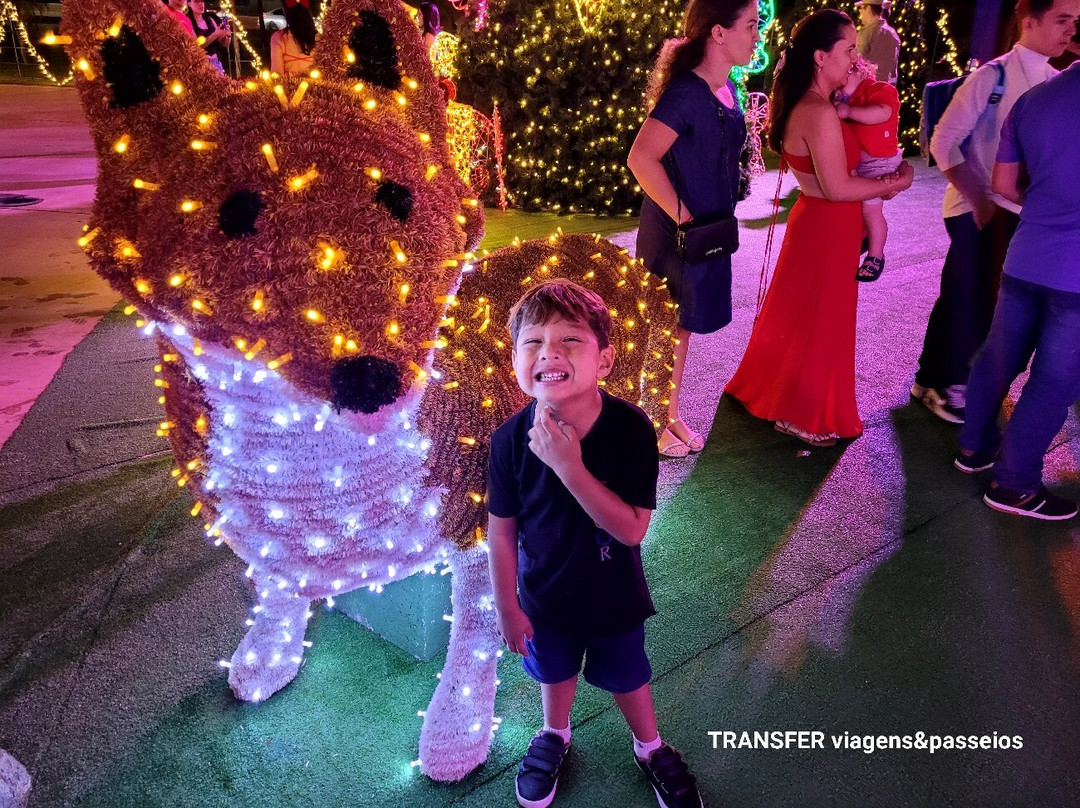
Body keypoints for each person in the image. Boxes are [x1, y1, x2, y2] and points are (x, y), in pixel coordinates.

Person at [487, 280, 703, 808]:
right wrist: (508, 606)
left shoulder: (631, 429)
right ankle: (554, 735)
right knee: (554, 671)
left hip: (614, 596)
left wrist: (567, 465)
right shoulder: (508, 440)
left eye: (570, 340)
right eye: (532, 342)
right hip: (543, 597)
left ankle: (649, 746)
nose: (549, 352)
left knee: (629, 674)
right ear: (515, 359)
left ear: (604, 360)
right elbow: (502, 530)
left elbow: (631, 530)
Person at [724, 9, 913, 448]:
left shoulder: (821, 105)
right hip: (826, 223)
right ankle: (803, 415)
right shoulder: (818, 111)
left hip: (822, 222)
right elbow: (838, 186)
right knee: (822, 318)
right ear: (820, 56)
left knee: (801, 312)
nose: (855, 56)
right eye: (848, 48)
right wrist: (895, 181)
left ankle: (781, 394)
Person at [912, 0, 1077, 424]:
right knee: (972, 297)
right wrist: (981, 201)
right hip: (977, 206)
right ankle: (949, 385)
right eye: (1062, 19)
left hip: (1012, 207)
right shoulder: (994, 75)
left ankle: (930, 378)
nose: (1070, 30)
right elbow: (943, 140)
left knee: (965, 294)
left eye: (1076, 21)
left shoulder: (1055, 79)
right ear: (1029, 22)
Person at [628, 0, 762, 458]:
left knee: (680, 327)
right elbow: (640, 158)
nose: (757, 35)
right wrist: (684, 216)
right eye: (750, 25)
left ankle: (668, 414)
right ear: (718, 32)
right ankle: (651, 421)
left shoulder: (726, 90)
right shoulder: (686, 92)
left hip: (707, 230)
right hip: (677, 231)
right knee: (667, 327)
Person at [954, 59, 1080, 520]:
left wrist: (1049, 210)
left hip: (1026, 256)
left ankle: (973, 449)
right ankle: (1014, 486)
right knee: (1054, 382)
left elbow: (1003, 184)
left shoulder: (1034, 99)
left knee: (999, 356)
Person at [834, 55, 902, 280]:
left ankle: (876, 254)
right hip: (861, 162)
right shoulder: (844, 96)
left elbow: (884, 112)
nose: (841, 81)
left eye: (847, 75)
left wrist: (850, 110)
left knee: (872, 210)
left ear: (861, 73)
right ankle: (864, 241)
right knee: (860, 206)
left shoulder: (877, 89)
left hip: (878, 161)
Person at [855, 0, 900, 84]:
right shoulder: (892, 33)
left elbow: (858, 59)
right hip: (885, 88)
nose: (859, 11)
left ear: (868, 9)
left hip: (869, 87)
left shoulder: (868, 32)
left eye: (861, 8)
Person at [270, 2, 317, 76]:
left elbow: (276, 73)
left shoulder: (279, 38)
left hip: (288, 86)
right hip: (315, 86)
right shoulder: (319, 38)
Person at [186, 0, 231, 74]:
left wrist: (228, 35)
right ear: (189, 4)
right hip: (200, 65)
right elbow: (196, 46)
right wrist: (215, 34)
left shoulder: (210, 19)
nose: (201, 4)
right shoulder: (188, 22)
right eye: (197, 1)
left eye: (202, 1)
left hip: (215, 63)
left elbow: (225, 44)